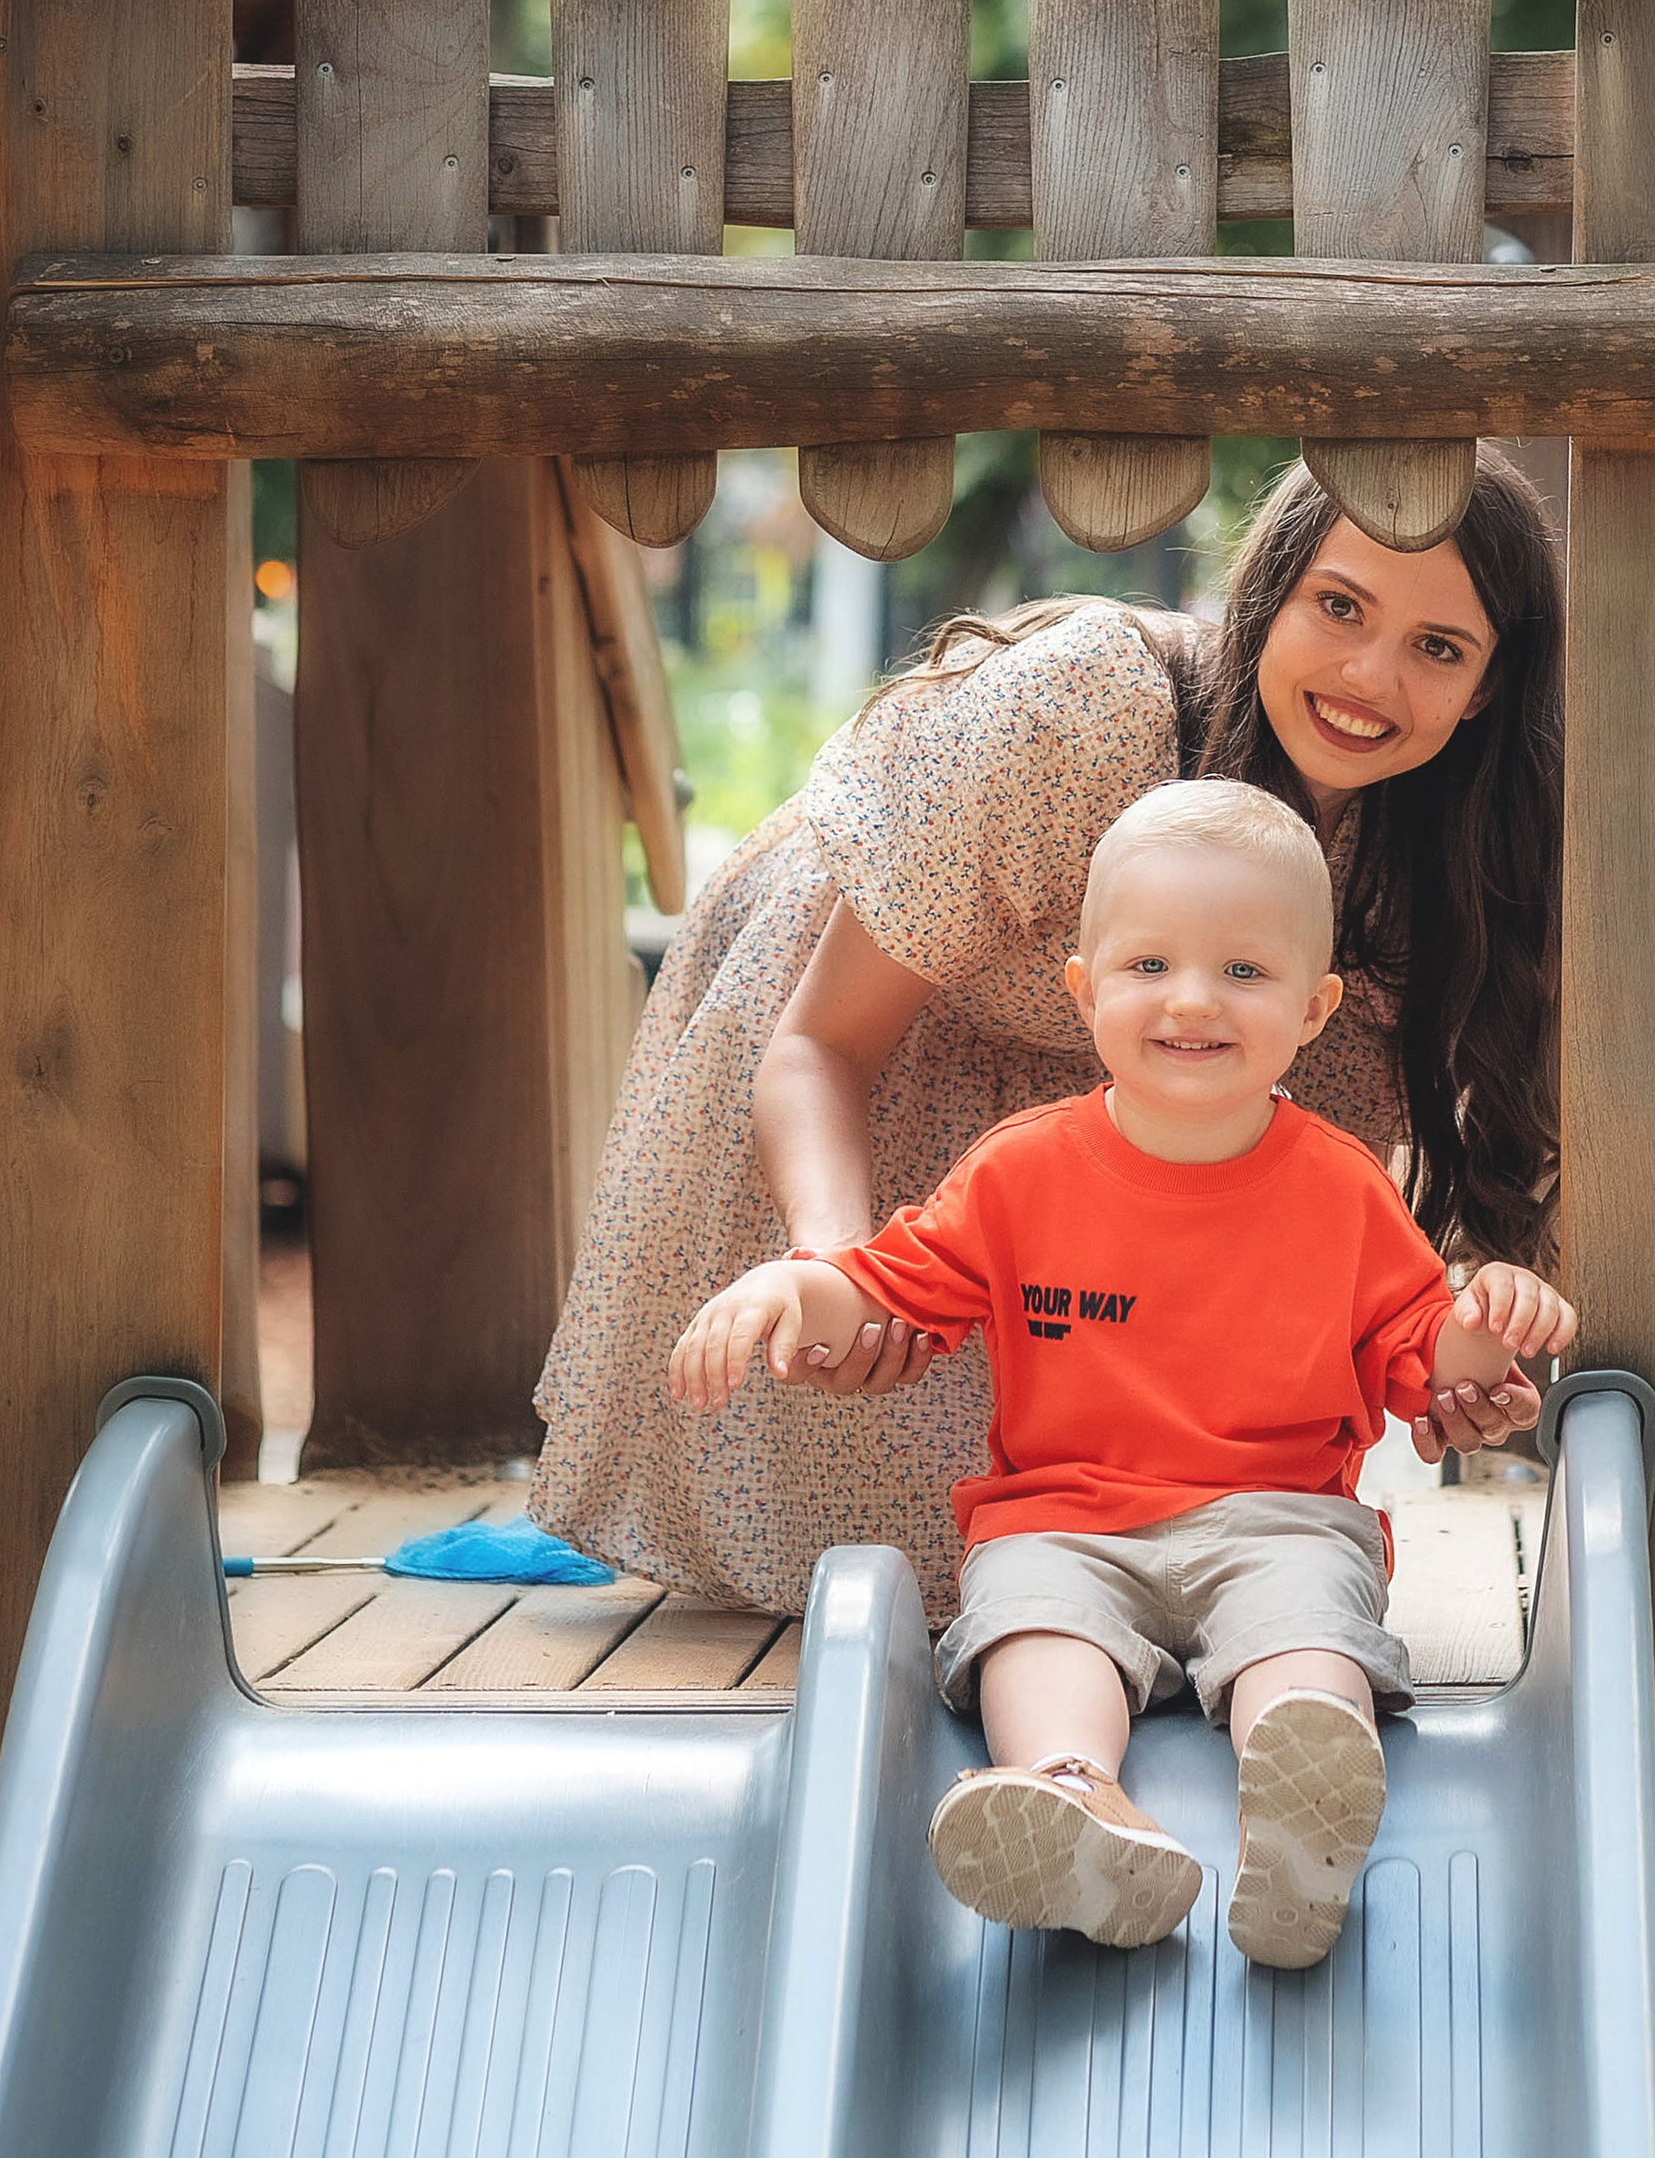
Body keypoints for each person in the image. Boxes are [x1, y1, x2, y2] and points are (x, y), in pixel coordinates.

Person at [531, 455, 1565, 1627]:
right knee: (925, 1554)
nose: (1370, 676)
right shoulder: (1088, 712)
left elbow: (1316, 1207)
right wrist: (837, 1261)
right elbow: (819, 1045)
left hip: (1152, 1121)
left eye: (1440, 647)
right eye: (1338, 606)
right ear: (1268, 591)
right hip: (885, 1030)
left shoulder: (1445, 841)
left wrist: (1440, 1357)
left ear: (1485, 685)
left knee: (1119, 1519)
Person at [667, 780, 1576, 1964]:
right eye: (1148, 964)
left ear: (1313, 1008)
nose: (1192, 999)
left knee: (1305, 1637)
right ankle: (1075, 1800)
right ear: (1085, 991)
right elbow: (890, 1287)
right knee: (1032, 1623)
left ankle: (1298, 1811)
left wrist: (1493, 1316)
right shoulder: (1020, 1175)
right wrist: (785, 1288)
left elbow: (1424, 1354)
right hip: (1064, 1521)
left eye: (1243, 973)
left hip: (1280, 1516)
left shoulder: (1340, 1186)